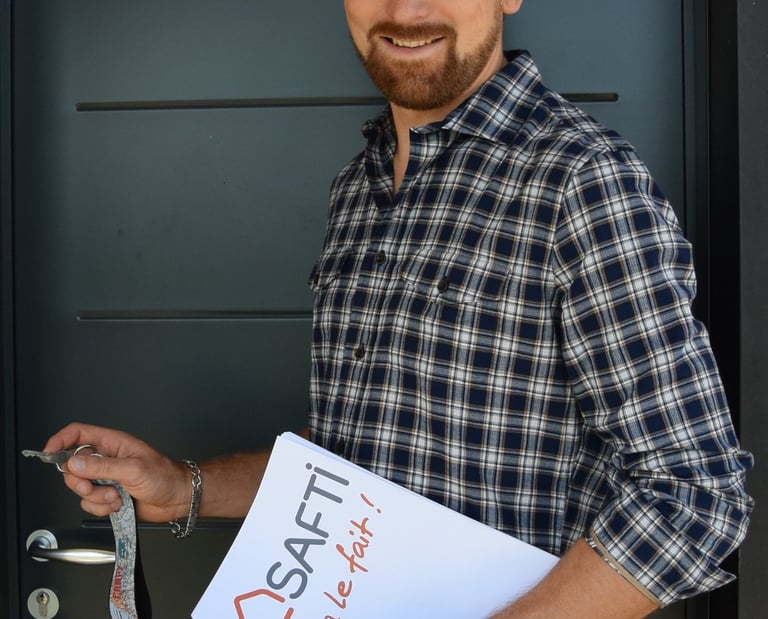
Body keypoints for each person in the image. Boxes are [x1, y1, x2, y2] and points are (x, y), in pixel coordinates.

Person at [45, 1, 753, 617]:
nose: (407, 9)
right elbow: (356, 459)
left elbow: (693, 497)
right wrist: (183, 487)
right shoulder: (358, 189)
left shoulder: (580, 181)